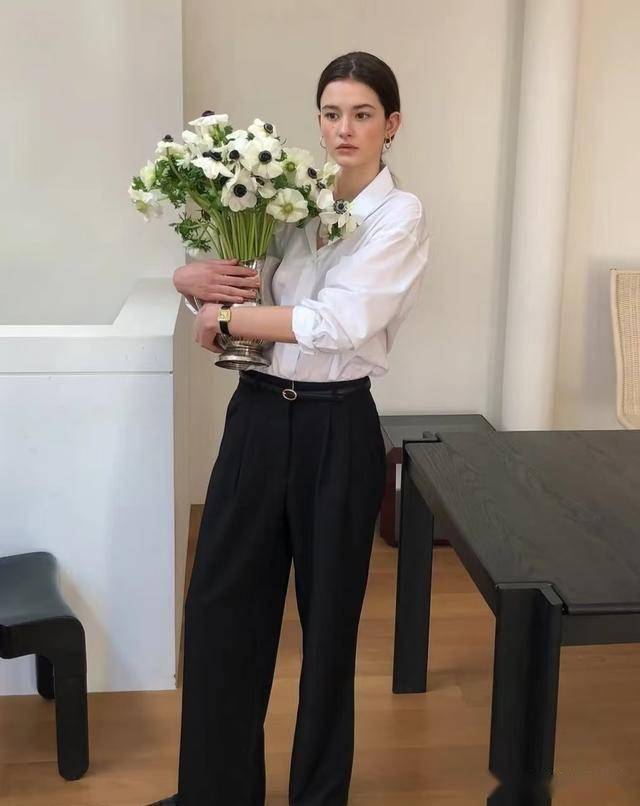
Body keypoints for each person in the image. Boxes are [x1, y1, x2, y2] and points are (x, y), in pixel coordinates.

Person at [151, 50, 430, 806]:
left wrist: (228, 319)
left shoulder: (399, 216)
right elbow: (242, 289)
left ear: (391, 125)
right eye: (332, 114)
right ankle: (213, 794)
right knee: (220, 611)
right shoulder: (291, 199)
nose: (344, 129)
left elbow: (336, 322)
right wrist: (191, 285)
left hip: (337, 429)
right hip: (256, 416)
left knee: (328, 630)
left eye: (362, 114)